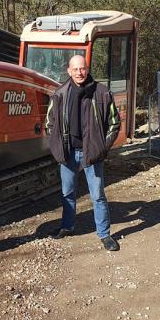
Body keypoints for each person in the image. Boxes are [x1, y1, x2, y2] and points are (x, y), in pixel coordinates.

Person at [45, 55, 121, 251]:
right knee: (67, 193)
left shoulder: (102, 93)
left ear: (87, 69)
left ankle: (104, 234)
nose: (80, 72)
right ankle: (67, 226)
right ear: (69, 71)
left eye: (83, 68)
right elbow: (49, 124)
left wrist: (102, 147)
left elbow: (114, 123)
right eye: (75, 69)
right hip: (68, 152)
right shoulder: (60, 94)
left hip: (92, 153)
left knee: (97, 195)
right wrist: (56, 148)